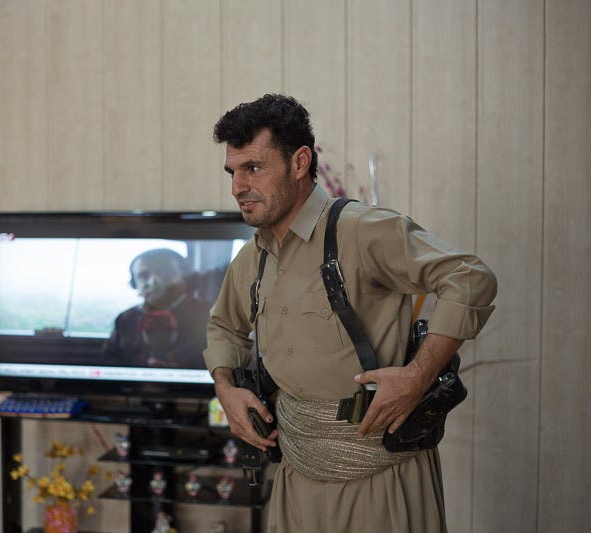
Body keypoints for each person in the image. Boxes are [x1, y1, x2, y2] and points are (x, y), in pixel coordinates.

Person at [203, 94, 497, 532]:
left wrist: (418, 377)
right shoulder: (254, 256)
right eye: (233, 171)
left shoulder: (361, 230)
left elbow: (471, 277)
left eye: (254, 168)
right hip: (295, 476)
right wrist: (225, 387)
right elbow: (224, 326)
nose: (237, 187)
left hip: (378, 479)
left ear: (300, 162)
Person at [103, 248, 211, 369]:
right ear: (135, 284)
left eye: (165, 272)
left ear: (185, 276)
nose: (155, 281)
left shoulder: (214, 315)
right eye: (144, 276)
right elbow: (110, 361)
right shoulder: (126, 318)